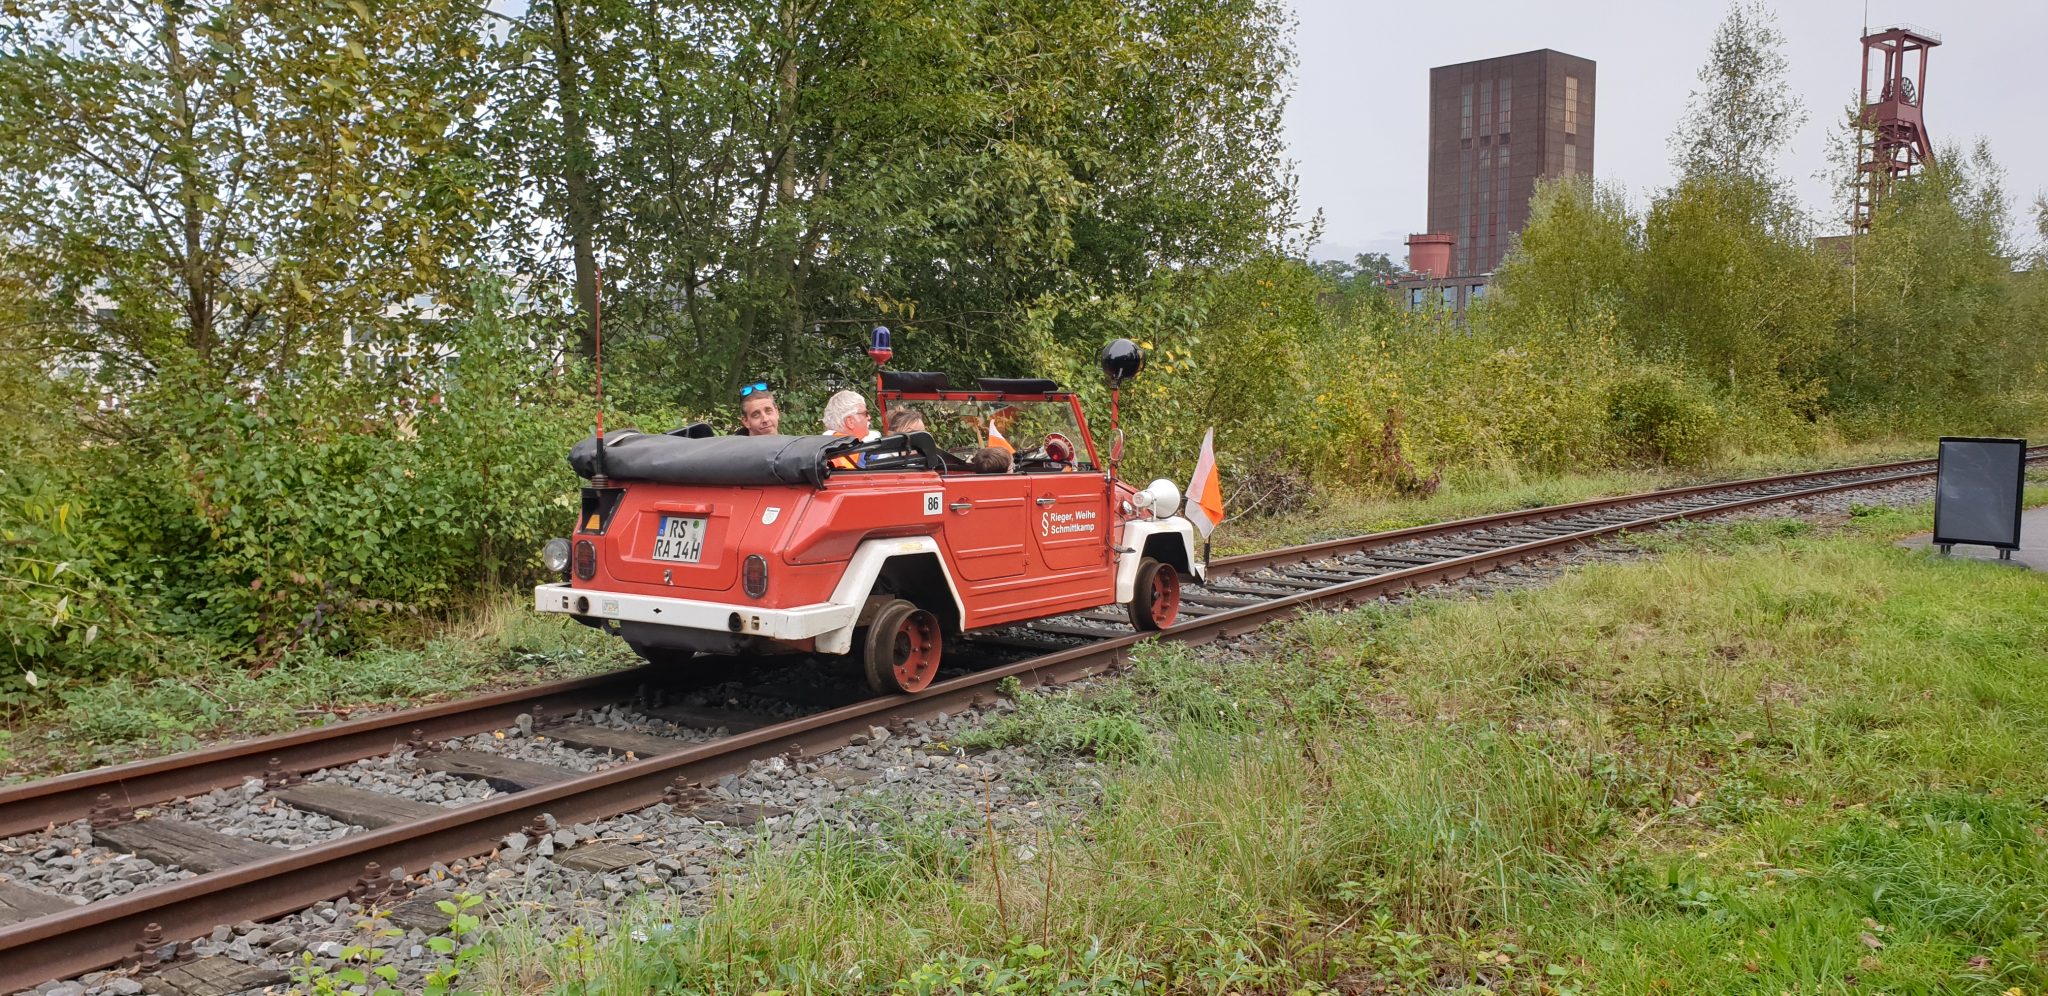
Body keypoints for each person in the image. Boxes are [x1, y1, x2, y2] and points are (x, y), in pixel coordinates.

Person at [822, 389, 872, 469]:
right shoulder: (863, 455)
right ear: (850, 421)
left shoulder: (821, 449)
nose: (869, 417)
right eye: (865, 414)